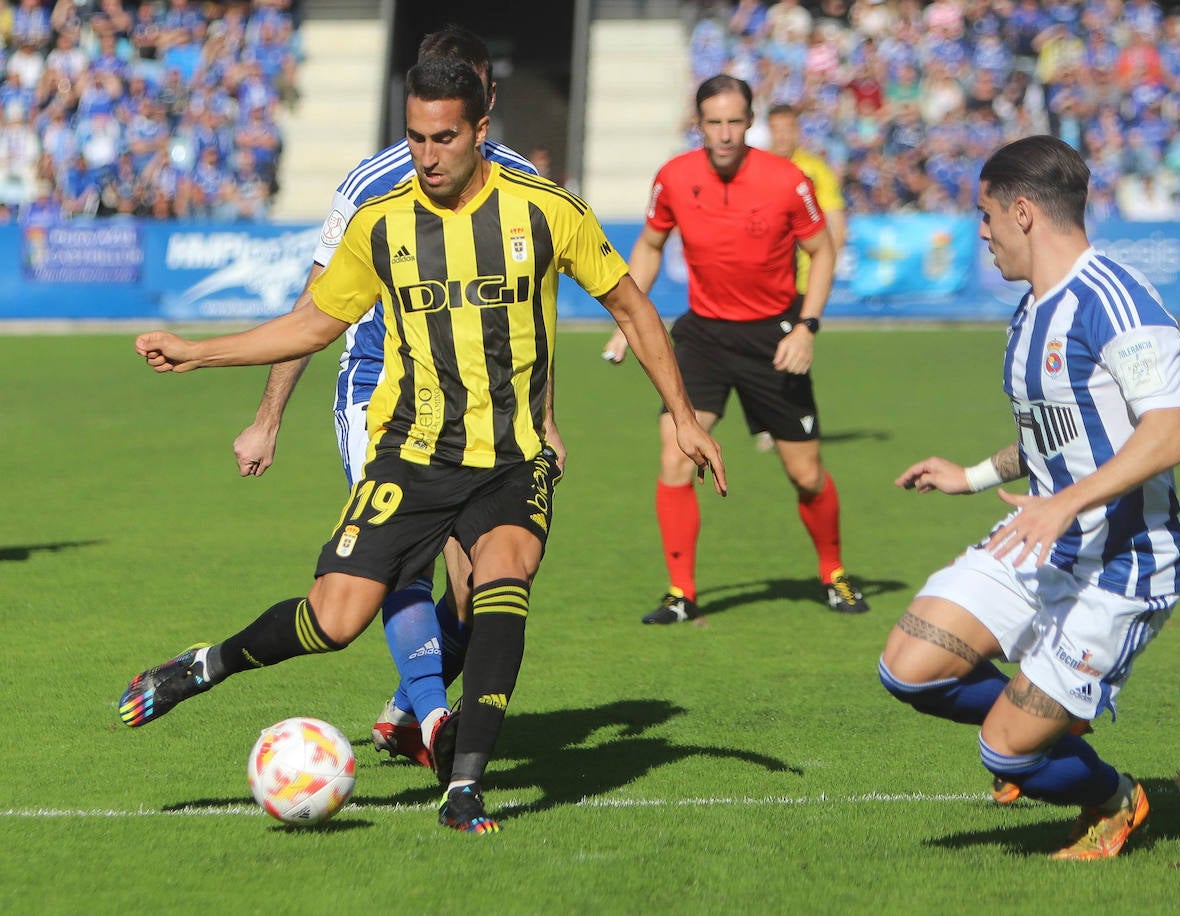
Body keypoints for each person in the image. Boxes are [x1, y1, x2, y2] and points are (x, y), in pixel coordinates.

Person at [118, 56, 727, 834]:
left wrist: (681, 413)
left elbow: (634, 310)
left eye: (444, 137)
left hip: (510, 460)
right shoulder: (383, 223)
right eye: (415, 137)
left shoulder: (547, 213)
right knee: (333, 621)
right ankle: (207, 664)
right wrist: (200, 352)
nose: (427, 155)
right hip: (412, 455)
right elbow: (312, 324)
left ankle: (463, 785)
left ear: (481, 129)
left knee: (502, 578)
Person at [231, 26, 542, 774]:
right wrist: (267, 417)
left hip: (482, 411)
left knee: (478, 595)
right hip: (381, 390)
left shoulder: (520, 184)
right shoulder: (371, 183)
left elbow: (526, 323)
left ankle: (405, 712)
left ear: (483, 107)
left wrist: (547, 421)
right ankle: (436, 720)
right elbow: (316, 303)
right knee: (402, 564)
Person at [879, 135, 1180, 860]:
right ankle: (1053, 719)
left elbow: (1170, 435)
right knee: (908, 666)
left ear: (1022, 212)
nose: (980, 233)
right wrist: (972, 475)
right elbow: (1054, 435)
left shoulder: (1114, 302)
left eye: (985, 216)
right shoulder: (1029, 311)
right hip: (1043, 539)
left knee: (1008, 756)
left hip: (1122, 564)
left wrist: (1064, 502)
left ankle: (1117, 799)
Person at [602, 75, 867, 624]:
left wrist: (807, 328)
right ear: (698, 124)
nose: (723, 134)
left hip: (774, 336)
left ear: (751, 123)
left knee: (806, 474)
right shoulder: (674, 178)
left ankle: (834, 574)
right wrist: (626, 316)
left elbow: (822, 252)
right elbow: (650, 246)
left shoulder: (786, 180)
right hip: (703, 335)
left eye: (734, 122)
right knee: (676, 453)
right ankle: (680, 593)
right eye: (713, 122)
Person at [757, 101, 847, 453]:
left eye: (788, 129)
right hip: (765, 277)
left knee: (793, 346)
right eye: (776, 129)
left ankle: (789, 424)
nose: (782, 136)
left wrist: (829, 260)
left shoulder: (814, 169)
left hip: (803, 280)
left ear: (796, 130)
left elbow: (834, 219)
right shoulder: (758, 166)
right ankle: (777, 421)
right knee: (765, 346)